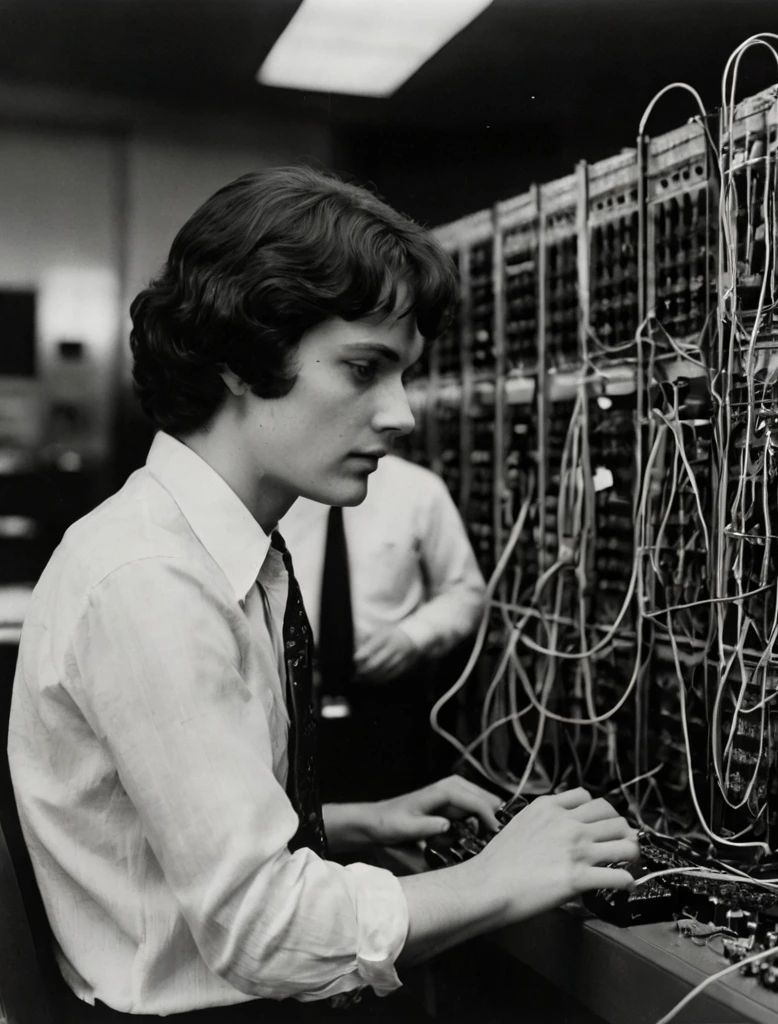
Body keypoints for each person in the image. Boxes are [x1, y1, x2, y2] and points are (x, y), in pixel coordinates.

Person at [7, 166, 638, 1021]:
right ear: (240, 359)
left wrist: (342, 824)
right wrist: (496, 877)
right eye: (364, 368)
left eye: (404, 373)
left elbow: (151, 839)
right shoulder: (151, 582)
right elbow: (265, 932)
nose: (402, 414)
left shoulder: (213, 550)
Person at [280, 455, 485, 801]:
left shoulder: (418, 490)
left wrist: (413, 637)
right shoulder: (278, 489)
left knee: (398, 826)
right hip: (293, 701)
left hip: (390, 703)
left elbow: (466, 591)